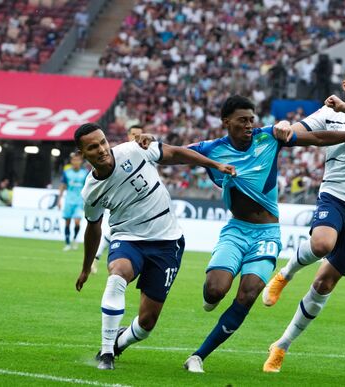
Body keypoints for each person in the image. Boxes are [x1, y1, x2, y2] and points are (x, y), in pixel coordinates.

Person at [136, 95, 345, 373]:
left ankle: (199, 356)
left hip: (267, 233)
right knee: (216, 290)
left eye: (252, 120)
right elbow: (172, 153)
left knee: (249, 293)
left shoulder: (269, 138)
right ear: (226, 122)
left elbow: (318, 138)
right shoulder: (212, 150)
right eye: (242, 120)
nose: (249, 125)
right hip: (236, 230)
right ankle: (211, 298)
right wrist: (148, 141)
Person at [262, 64, 345, 372]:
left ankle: (281, 345)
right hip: (335, 194)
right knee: (321, 244)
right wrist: (283, 127)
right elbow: (299, 131)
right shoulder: (327, 113)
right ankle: (286, 273)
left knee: (324, 283)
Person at [73, 122, 235, 370]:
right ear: (83, 154)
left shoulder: (134, 150)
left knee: (146, 323)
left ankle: (118, 344)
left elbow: (176, 153)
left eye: (103, 142)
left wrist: (214, 165)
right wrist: (86, 266)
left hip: (167, 243)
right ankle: (106, 354)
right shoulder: (91, 191)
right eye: (93, 147)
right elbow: (93, 227)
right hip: (128, 238)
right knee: (117, 274)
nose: (102, 149)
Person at [92, 124, 146, 274]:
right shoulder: (119, 153)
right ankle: (97, 259)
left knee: (115, 233)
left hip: (142, 201)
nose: (136, 137)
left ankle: (96, 259)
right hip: (123, 200)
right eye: (133, 134)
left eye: (139, 134)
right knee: (116, 231)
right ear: (127, 135)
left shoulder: (146, 152)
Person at [58, 153, 89, 251]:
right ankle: (67, 243)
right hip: (68, 200)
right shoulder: (67, 172)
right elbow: (63, 185)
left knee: (77, 222)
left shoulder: (85, 173)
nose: (76, 162)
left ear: (81, 161)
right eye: (74, 160)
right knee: (67, 222)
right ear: (71, 161)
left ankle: (75, 239)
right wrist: (59, 199)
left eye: (78, 160)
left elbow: (88, 187)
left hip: (79, 201)